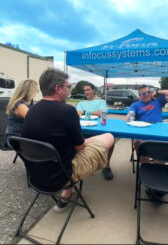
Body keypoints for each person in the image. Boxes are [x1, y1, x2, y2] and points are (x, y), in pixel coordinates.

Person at [21, 68, 115, 212]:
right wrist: (92, 139)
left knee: (63, 150)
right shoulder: (67, 111)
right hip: (61, 175)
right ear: (58, 88)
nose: (69, 91)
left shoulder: (31, 110)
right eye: (67, 87)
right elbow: (80, 147)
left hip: (36, 175)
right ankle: (104, 168)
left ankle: (67, 194)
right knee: (109, 137)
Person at [76, 83, 114, 179]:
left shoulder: (101, 102)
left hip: (99, 130)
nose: (86, 92)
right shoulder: (81, 103)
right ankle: (80, 164)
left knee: (112, 141)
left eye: (88, 89)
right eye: (84, 90)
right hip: (84, 129)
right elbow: (78, 114)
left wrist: (85, 112)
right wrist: (95, 113)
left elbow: (102, 113)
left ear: (93, 90)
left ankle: (106, 165)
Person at [5, 79, 38, 147]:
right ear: (29, 91)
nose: (36, 92)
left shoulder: (29, 102)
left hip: (23, 136)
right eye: (36, 90)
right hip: (16, 138)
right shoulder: (20, 105)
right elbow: (34, 120)